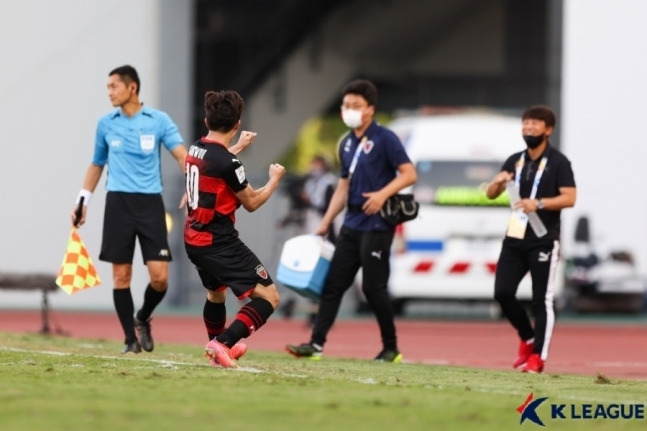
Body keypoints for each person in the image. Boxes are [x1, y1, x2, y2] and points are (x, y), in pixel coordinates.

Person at [285, 79, 417, 362]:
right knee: (333, 285)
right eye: (346, 105)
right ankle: (316, 344)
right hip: (352, 223)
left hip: (378, 223)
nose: (349, 111)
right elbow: (343, 187)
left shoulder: (386, 139)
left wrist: (382, 195)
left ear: (370, 109)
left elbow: (408, 174)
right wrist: (325, 223)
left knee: (372, 287)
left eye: (356, 106)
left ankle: (391, 347)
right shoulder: (345, 143)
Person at [71, 65, 187, 354]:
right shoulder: (106, 123)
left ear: (132, 87)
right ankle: (129, 340)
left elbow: (183, 156)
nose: (109, 92)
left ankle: (143, 317)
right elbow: (97, 164)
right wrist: (82, 200)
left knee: (160, 279)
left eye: (114, 86)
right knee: (121, 276)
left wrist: (191, 185)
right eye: (108, 87)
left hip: (150, 204)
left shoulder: (159, 120)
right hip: (118, 204)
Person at [184, 90, 285, 368]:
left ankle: (218, 350)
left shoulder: (195, 148)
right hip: (219, 242)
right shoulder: (228, 162)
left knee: (216, 293)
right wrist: (274, 180)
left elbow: (218, 162)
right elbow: (251, 202)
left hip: (194, 239)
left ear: (206, 121)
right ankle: (222, 343)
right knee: (269, 296)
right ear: (237, 123)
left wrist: (237, 147)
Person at [485, 105, 576, 374]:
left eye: (535, 124)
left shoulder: (559, 162)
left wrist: (539, 203)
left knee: (541, 299)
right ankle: (527, 337)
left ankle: (538, 356)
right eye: (526, 123)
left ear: (548, 130)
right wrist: (498, 182)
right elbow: (490, 194)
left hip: (543, 239)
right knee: (502, 292)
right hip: (515, 237)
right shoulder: (515, 160)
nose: (529, 128)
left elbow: (570, 198)